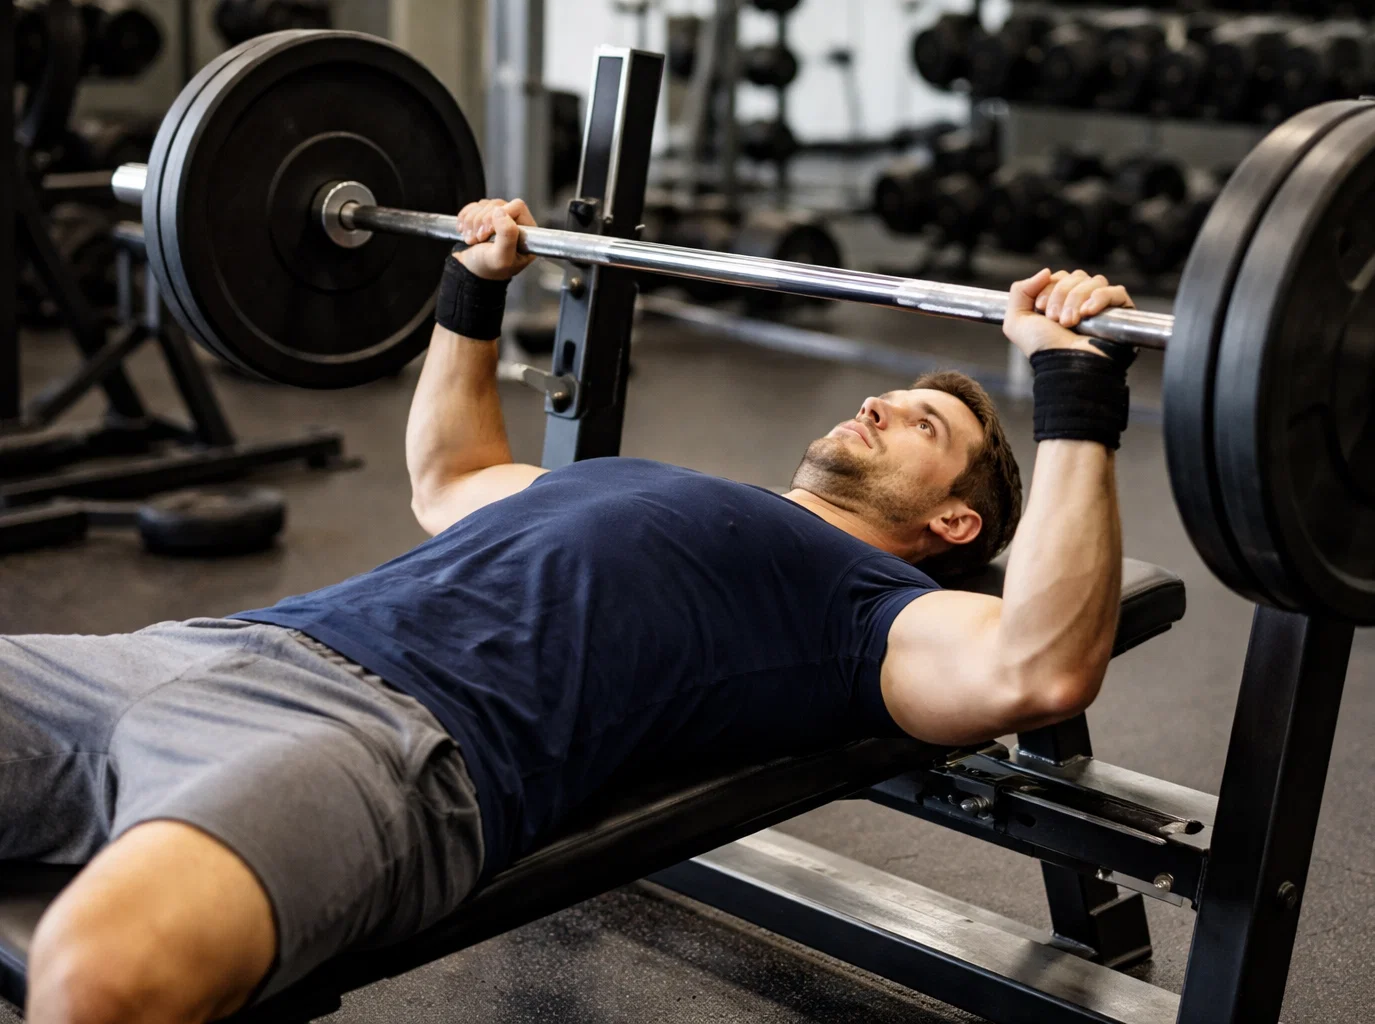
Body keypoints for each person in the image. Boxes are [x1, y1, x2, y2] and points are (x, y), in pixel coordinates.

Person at [2, 198, 1137, 1024]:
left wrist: (1072, 384)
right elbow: (449, 477)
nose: (884, 402)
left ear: (954, 528)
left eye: (925, 428)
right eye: (891, 394)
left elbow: (1036, 668)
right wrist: (475, 283)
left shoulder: (868, 607)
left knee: (100, 976)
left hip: (376, 745)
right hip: (192, 653)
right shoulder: (636, 480)